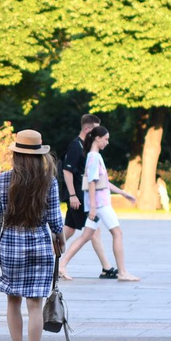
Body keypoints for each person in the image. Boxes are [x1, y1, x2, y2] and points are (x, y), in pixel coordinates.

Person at [0, 129, 64, 341]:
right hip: (40, 245)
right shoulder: (49, 181)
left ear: (16, 154)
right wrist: (60, 241)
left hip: (11, 247)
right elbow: (56, 220)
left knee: (13, 300)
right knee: (35, 305)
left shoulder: (4, 180)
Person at [60, 120, 139, 281]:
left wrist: (123, 193)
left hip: (98, 204)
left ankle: (62, 265)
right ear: (97, 138)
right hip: (101, 204)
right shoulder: (94, 157)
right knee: (117, 233)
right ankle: (122, 272)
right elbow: (92, 183)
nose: (107, 142)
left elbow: (103, 182)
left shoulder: (93, 156)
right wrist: (94, 207)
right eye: (106, 139)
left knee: (85, 236)